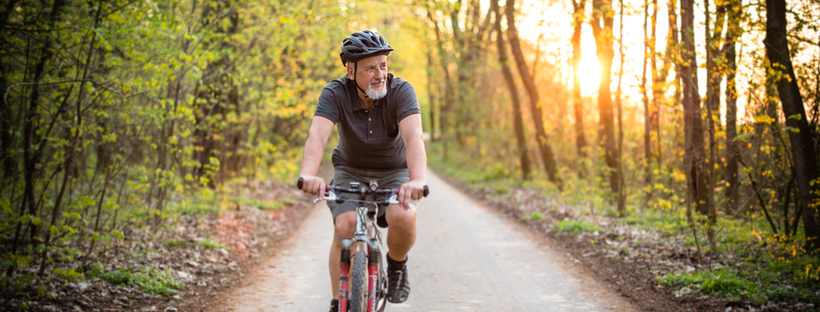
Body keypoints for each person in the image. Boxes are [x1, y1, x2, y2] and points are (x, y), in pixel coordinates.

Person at [297, 30, 427, 312]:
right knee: (344, 228)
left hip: (395, 170)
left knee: (404, 217)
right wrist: (308, 173)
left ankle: (396, 264)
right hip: (350, 170)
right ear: (350, 70)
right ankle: (337, 302)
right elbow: (317, 136)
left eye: (383, 65)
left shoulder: (401, 91)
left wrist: (417, 179)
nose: (380, 74)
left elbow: (413, 137)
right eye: (371, 68)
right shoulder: (335, 92)